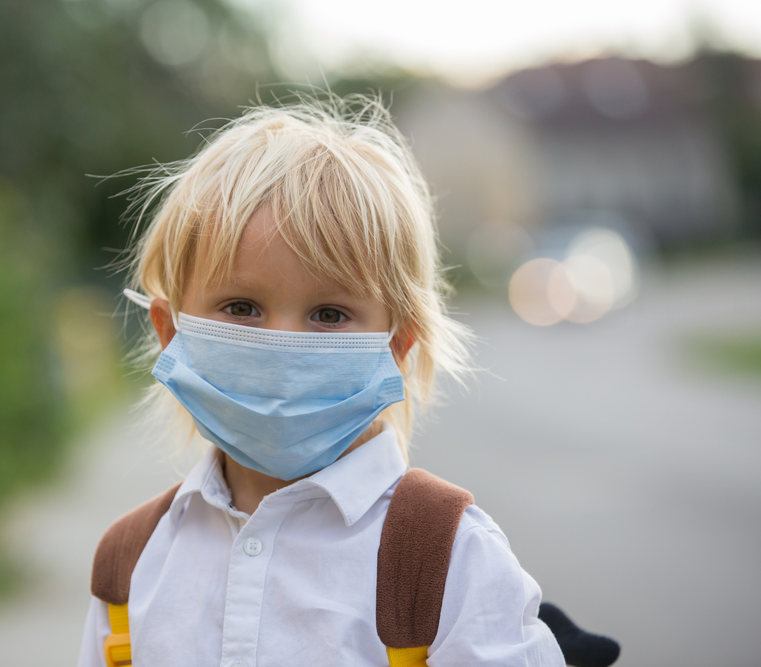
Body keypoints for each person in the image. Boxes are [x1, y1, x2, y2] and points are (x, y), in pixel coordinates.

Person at [77, 94, 566, 667]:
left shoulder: (449, 563)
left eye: (329, 314)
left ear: (397, 346)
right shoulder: (130, 565)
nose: (285, 344)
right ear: (170, 331)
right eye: (241, 306)